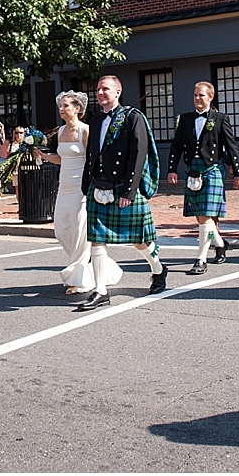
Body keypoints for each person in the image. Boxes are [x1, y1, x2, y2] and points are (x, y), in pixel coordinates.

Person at [79, 75, 165, 310]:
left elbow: (139, 154)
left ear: (118, 92)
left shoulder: (133, 117)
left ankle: (158, 269)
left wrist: (129, 191)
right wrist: (87, 184)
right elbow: (92, 155)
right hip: (100, 186)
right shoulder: (95, 120)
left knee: (139, 240)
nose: (100, 93)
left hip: (124, 186)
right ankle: (100, 291)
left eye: (105, 89)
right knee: (96, 240)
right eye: (98, 89)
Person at [167, 82, 239, 274]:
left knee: (204, 216)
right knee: (200, 215)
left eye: (201, 95)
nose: (197, 98)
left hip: (212, 170)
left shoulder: (220, 118)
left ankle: (201, 259)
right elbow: (176, 145)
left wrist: (238, 173)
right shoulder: (185, 119)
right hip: (192, 170)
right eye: (195, 95)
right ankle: (220, 244)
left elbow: (231, 146)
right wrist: (172, 169)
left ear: (211, 97)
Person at [36, 91, 103, 295]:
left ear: (77, 109)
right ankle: (85, 269)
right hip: (63, 187)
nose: (62, 108)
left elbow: (93, 160)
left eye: (66, 105)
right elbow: (61, 158)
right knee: (62, 230)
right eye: (61, 105)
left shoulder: (85, 130)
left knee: (79, 232)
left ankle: (80, 278)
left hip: (80, 189)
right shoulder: (62, 130)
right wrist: (43, 156)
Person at [8, 127, 27, 202]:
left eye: (21, 133)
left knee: (27, 188)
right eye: (16, 133)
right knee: (18, 189)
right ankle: (21, 206)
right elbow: (8, 157)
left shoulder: (28, 144)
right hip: (16, 170)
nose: (19, 135)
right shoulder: (12, 145)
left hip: (27, 169)